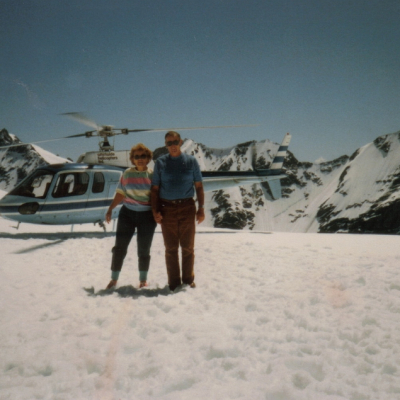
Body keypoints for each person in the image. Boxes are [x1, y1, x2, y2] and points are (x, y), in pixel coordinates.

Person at [151, 131, 205, 291]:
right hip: (166, 209)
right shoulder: (160, 163)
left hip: (187, 207)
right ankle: (174, 283)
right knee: (171, 248)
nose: (172, 146)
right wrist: (155, 211)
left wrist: (201, 208)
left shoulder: (191, 161)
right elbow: (154, 189)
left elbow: (199, 187)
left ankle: (188, 280)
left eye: (175, 142)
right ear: (165, 145)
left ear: (180, 142)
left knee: (188, 247)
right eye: (169, 143)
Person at [105, 143, 157, 289]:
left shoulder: (153, 175)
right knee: (119, 247)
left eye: (143, 156)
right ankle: (114, 279)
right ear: (132, 159)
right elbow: (121, 193)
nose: (140, 159)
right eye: (137, 156)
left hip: (147, 216)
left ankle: (142, 280)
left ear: (148, 159)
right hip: (127, 214)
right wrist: (110, 209)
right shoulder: (127, 174)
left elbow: (156, 196)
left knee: (144, 249)